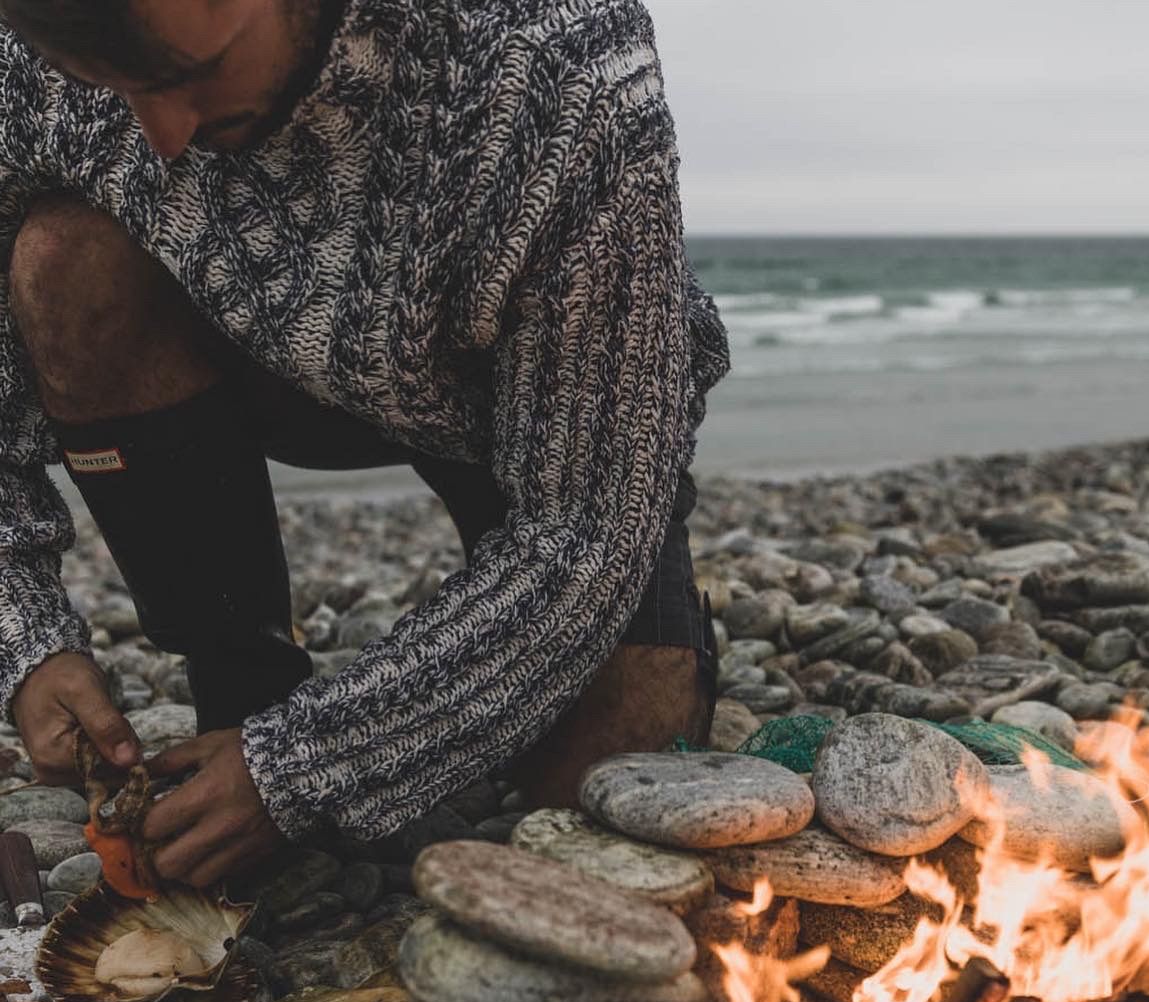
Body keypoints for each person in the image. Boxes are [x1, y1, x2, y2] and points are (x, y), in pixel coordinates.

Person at [0, 0, 729, 886]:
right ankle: (240, 669)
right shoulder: (35, 52)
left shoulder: (556, 58)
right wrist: (27, 636)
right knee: (62, 256)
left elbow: (583, 535)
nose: (159, 135)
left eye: (191, 74)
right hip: (246, 339)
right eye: (107, 86)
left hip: (528, 397)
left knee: (601, 793)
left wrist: (304, 767)